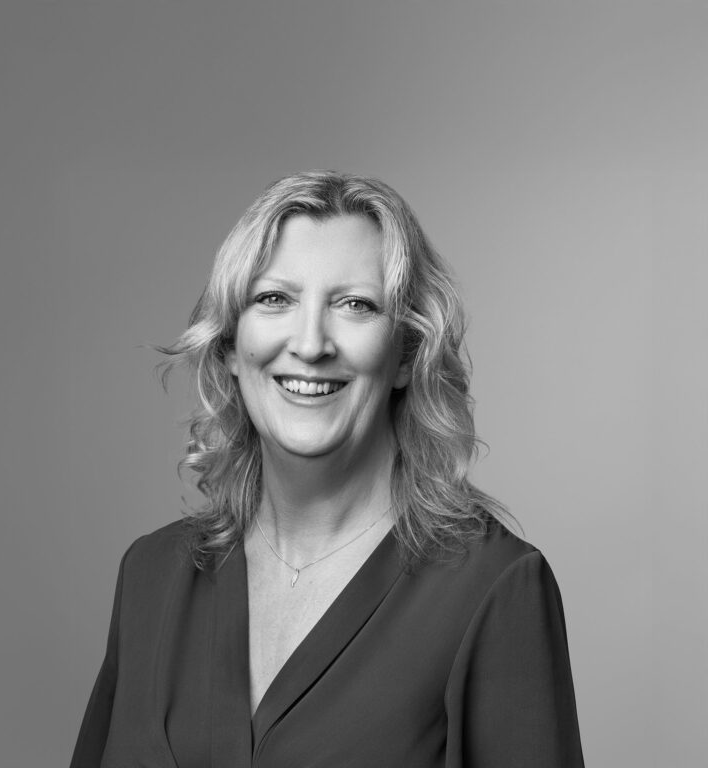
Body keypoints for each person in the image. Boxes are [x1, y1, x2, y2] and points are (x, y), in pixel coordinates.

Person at [70, 171, 585, 767]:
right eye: (274, 299)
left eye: (355, 305)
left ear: (406, 353)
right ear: (231, 345)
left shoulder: (495, 588)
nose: (311, 343)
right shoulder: (152, 577)